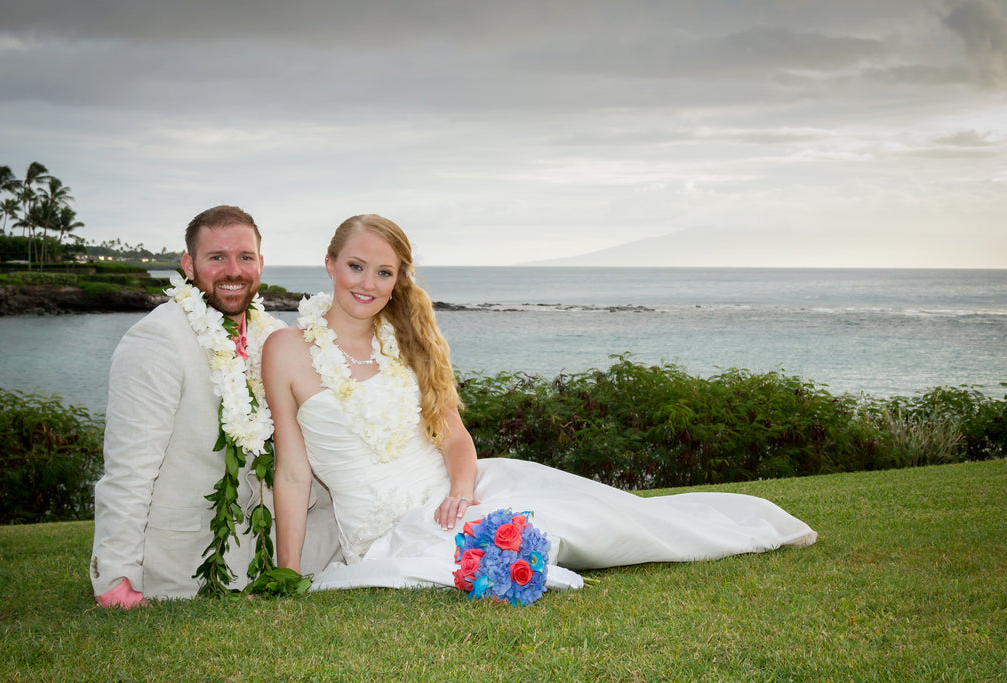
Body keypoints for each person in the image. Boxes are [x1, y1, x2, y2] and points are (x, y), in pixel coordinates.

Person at [263, 214, 816, 593]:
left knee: (600, 521)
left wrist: (461, 491)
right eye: (356, 266)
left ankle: (737, 530)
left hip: (457, 495)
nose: (369, 283)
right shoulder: (286, 350)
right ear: (331, 263)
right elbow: (291, 473)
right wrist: (286, 574)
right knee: (520, 549)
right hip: (379, 530)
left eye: (385, 272)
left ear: (397, 281)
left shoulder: (407, 342)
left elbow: (453, 436)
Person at [90, 205, 340, 608]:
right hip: (189, 556)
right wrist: (116, 579)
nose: (233, 271)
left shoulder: (273, 335)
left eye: (244, 257)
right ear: (189, 265)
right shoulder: (155, 341)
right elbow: (128, 470)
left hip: (268, 540)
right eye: (216, 257)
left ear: (261, 262)